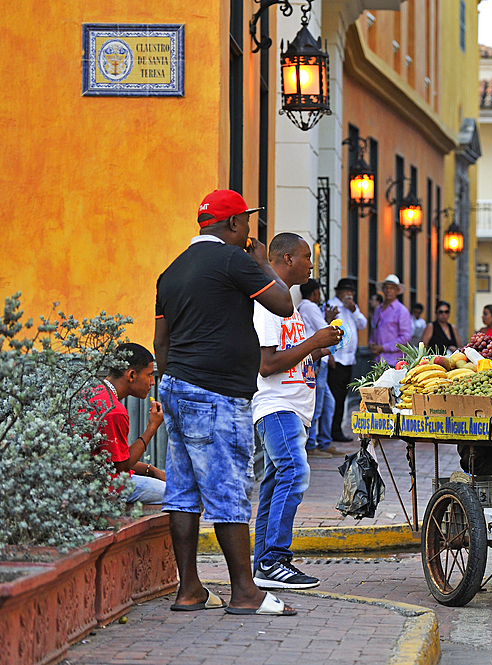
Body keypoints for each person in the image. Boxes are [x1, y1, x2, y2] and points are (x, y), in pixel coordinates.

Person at [154, 189, 298, 616]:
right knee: (230, 489)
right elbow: (284, 304)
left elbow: (161, 344)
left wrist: (178, 381)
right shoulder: (235, 260)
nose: (252, 232)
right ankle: (245, 592)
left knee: (183, 493)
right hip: (217, 394)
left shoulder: (171, 270)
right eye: (248, 223)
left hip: (177, 388)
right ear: (233, 224)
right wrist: (259, 263)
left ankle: (190, 590)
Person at [251, 234, 342, 590]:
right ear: (287, 259)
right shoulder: (269, 304)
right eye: (306, 258)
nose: (311, 265)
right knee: (293, 471)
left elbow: (291, 355)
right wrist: (314, 342)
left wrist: (319, 348)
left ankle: (264, 564)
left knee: (275, 484)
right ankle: (275, 559)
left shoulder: (285, 300)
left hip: (293, 408)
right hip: (277, 407)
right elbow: (266, 364)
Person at [88, 342, 166, 504]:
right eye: (149, 375)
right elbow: (121, 468)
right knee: (184, 498)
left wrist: (151, 470)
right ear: (131, 375)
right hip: (108, 487)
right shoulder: (114, 410)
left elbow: (115, 461)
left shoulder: (92, 391)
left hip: (91, 481)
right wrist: (151, 428)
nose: (152, 382)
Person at [297, 279, 336, 458]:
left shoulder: (305, 307)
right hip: (316, 359)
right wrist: (329, 320)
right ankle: (311, 445)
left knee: (328, 402)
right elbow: (325, 330)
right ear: (314, 292)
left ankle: (324, 441)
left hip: (319, 358)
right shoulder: (309, 306)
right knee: (318, 404)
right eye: (319, 292)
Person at [327, 278, 367, 443]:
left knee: (342, 396)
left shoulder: (352, 308)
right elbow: (326, 329)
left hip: (349, 359)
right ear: (338, 292)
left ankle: (336, 430)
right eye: (346, 291)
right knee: (334, 398)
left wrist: (354, 310)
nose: (349, 295)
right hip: (336, 359)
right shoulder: (331, 306)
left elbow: (363, 324)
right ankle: (332, 431)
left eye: (351, 292)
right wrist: (329, 354)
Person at [369, 275, 411, 366]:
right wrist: (371, 343)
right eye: (386, 288)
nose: (388, 290)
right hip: (377, 361)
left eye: (392, 288)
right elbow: (374, 330)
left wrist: (383, 347)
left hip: (394, 362)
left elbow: (405, 337)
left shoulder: (402, 311)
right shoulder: (378, 309)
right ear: (383, 289)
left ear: (397, 290)